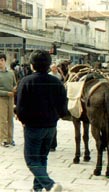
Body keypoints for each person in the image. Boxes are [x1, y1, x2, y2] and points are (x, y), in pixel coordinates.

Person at [16, 50, 68, 192]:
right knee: (42, 158)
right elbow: (64, 108)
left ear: (32, 65)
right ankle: (37, 188)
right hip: (51, 127)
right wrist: (55, 117)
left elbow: (20, 107)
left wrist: (24, 120)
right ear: (49, 65)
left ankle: (49, 184)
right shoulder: (56, 82)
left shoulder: (26, 82)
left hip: (33, 126)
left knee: (31, 160)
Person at [0, 53, 17, 147]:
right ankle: (3, 139)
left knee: (10, 119)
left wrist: (15, 88)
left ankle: (10, 138)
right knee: (2, 120)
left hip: (11, 98)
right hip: (1, 99)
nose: (0, 62)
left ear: (5, 61)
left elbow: (15, 83)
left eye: (2, 60)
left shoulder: (11, 73)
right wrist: (6, 93)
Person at [48, 63, 63, 151]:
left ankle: (53, 145)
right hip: (51, 101)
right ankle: (50, 144)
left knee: (53, 126)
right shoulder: (49, 76)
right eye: (53, 67)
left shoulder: (58, 75)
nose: (55, 69)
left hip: (54, 102)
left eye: (55, 67)